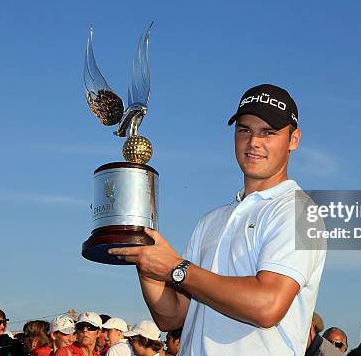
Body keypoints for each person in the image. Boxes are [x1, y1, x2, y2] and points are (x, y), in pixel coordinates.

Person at [110, 83, 327, 355]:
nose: (253, 142)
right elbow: (172, 317)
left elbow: (267, 306)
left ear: (293, 140)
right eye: (244, 129)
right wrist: (146, 257)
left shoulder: (299, 211)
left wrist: (178, 269)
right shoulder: (210, 221)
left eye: (268, 133)